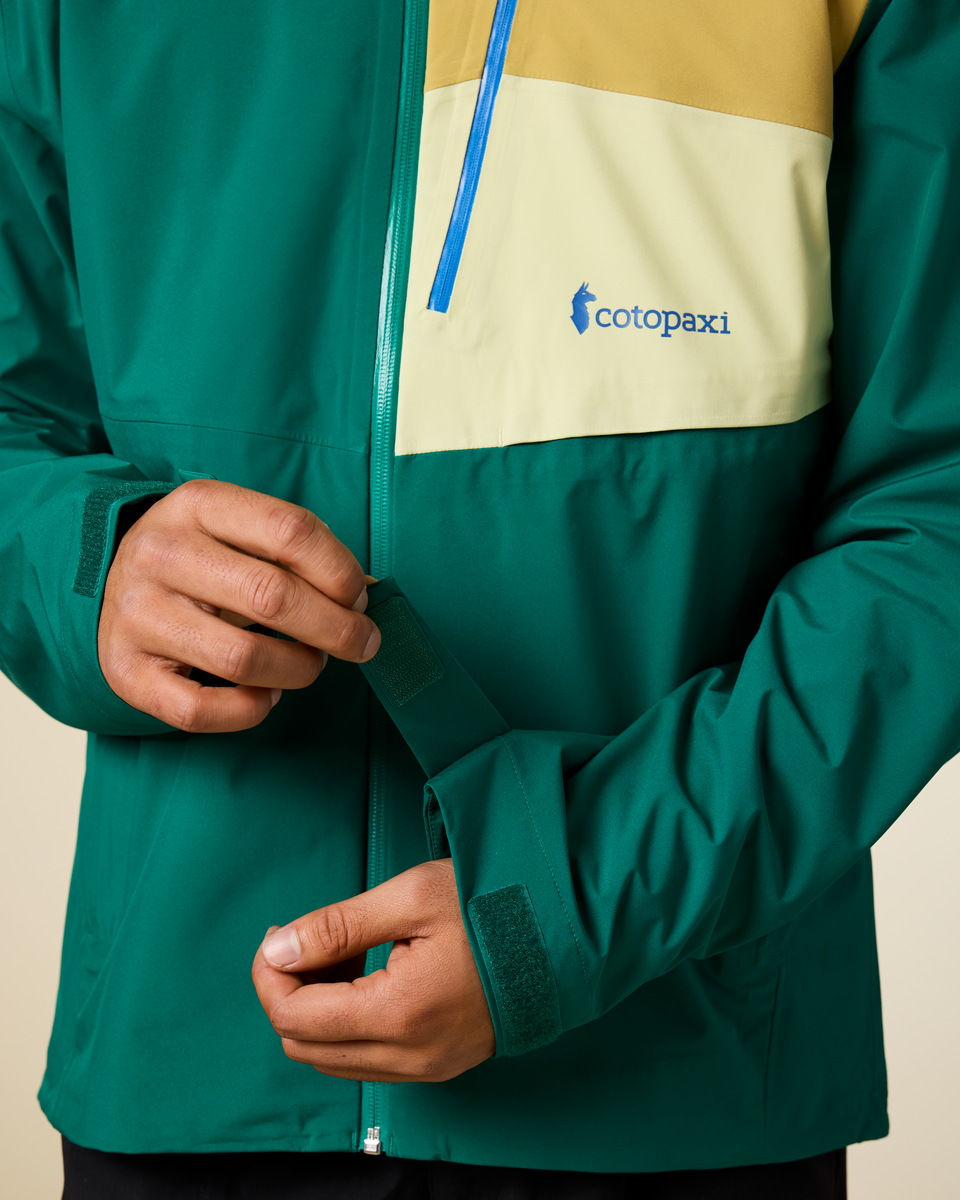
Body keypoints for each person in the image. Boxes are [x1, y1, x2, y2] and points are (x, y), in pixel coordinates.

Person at [1, 0, 957, 1196]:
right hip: (194, 1062)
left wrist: (571, 903)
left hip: (672, 1070)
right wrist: (90, 563)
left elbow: (936, 500)